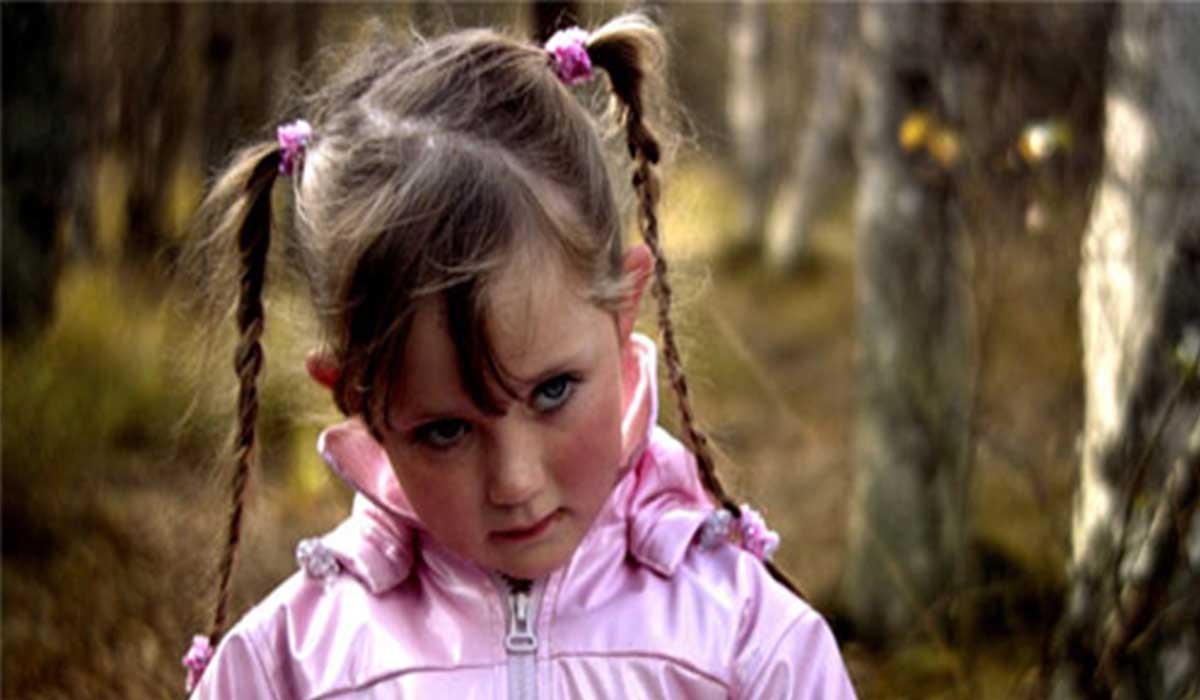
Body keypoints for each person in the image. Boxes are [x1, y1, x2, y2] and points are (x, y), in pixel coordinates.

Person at [183, 12, 857, 699]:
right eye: (446, 430)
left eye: (552, 391)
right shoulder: (291, 669)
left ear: (623, 308)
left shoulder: (746, 643)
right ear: (354, 394)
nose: (515, 482)